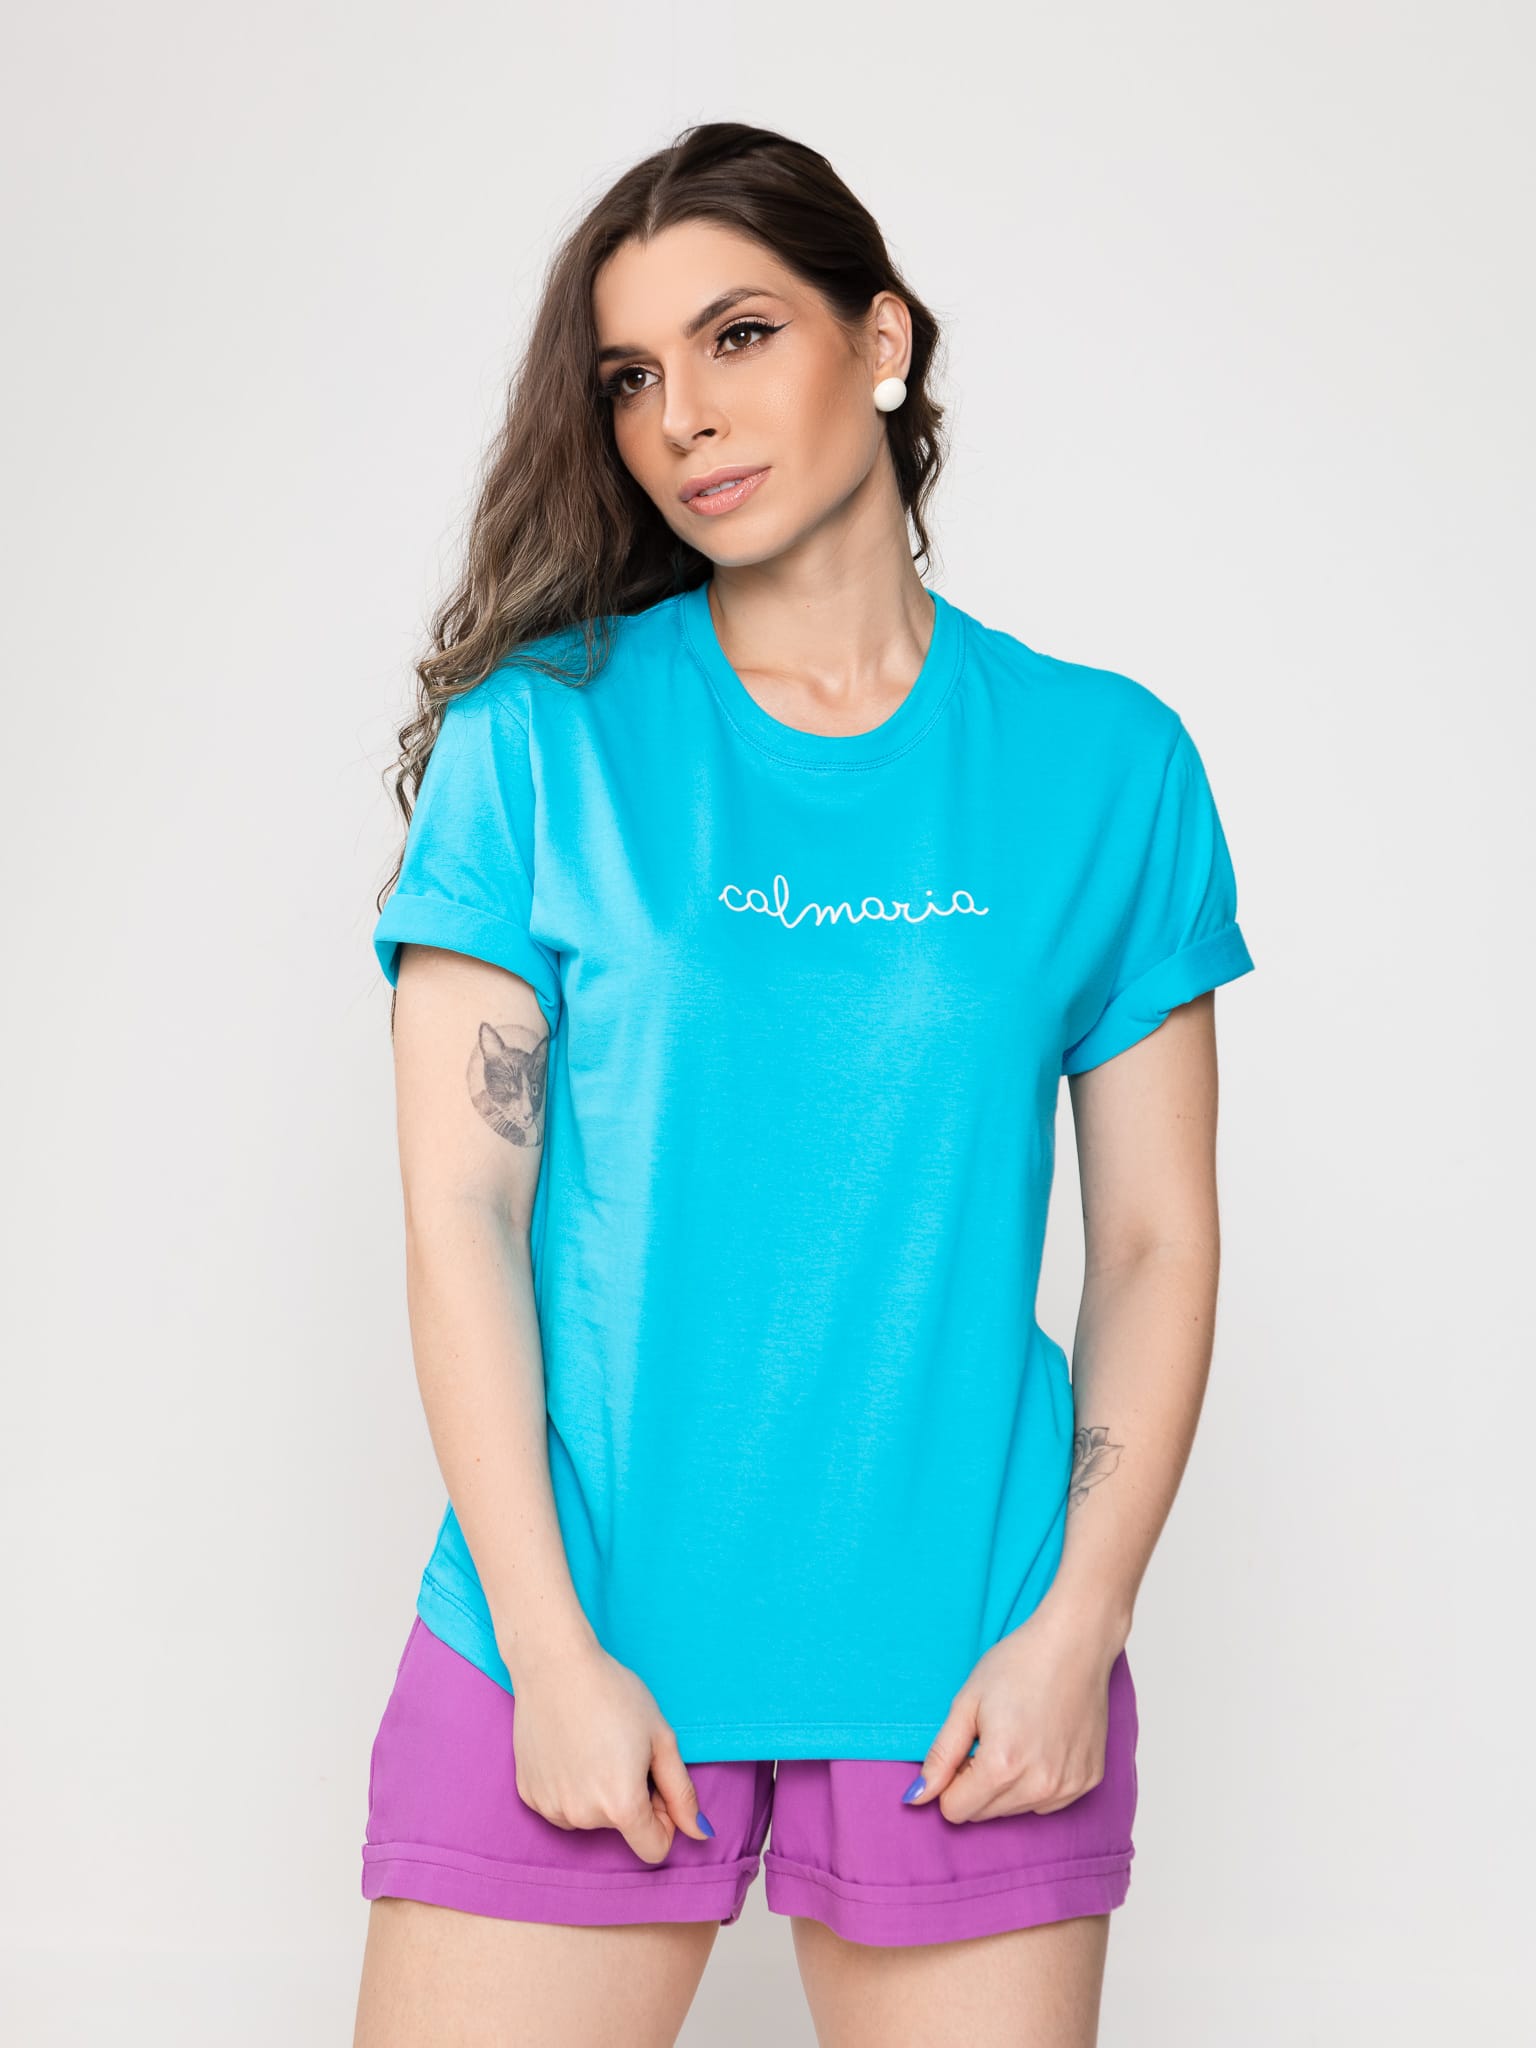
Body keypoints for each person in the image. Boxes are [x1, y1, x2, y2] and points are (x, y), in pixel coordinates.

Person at [353, 120, 1255, 2048]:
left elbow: (1157, 1243)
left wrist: (1082, 1620)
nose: (681, 414)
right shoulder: (539, 748)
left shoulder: (1107, 765)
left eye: (739, 336)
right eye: (630, 377)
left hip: (971, 1657)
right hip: (576, 1625)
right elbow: (462, 1215)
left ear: (884, 341)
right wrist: (549, 1651)